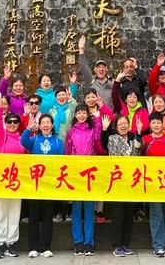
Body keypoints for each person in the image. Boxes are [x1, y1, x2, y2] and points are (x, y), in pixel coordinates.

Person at [20, 114, 63, 258]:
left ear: (52, 125)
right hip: (35, 183)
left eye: (48, 122)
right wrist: (28, 129)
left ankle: (45, 247)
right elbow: (23, 141)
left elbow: (62, 162)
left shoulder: (57, 142)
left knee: (47, 216)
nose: (45, 125)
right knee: (33, 216)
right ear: (39, 125)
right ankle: (33, 247)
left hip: (49, 183)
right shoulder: (35, 139)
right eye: (43, 122)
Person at [100, 114, 141, 257]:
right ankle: (116, 244)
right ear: (116, 127)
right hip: (118, 181)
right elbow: (111, 152)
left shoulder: (134, 138)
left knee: (129, 215)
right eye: (120, 124)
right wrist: (104, 130)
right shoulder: (112, 138)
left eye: (125, 123)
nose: (123, 126)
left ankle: (125, 243)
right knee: (118, 214)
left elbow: (139, 151)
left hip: (131, 181)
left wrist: (139, 133)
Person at [65, 104, 102, 256]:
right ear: (75, 115)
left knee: (89, 210)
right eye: (78, 112)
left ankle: (89, 243)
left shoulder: (92, 129)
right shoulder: (70, 131)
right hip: (75, 174)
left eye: (84, 113)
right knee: (76, 210)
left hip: (90, 174)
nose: (81, 115)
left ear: (87, 115)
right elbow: (67, 153)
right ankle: (78, 242)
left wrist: (98, 119)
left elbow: (98, 138)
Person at [0, 99, 27, 258]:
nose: (12, 124)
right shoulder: (1, 136)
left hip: (17, 180)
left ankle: (11, 242)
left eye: (15, 122)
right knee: (0, 211)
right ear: (6, 123)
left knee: (14, 212)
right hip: (2, 179)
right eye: (9, 122)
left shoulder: (22, 139)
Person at [141, 112, 165, 258]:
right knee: (156, 213)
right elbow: (138, 152)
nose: (156, 125)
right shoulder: (146, 139)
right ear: (149, 125)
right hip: (152, 182)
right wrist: (138, 133)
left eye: (158, 122)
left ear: (163, 124)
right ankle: (158, 245)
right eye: (153, 122)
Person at [78, 35, 113, 107]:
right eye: (99, 67)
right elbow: (84, 67)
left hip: (109, 113)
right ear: (95, 70)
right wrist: (81, 50)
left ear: (106, 70)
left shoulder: (112, 82)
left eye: (103, 67)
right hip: (95, 112)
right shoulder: (91, 80)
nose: (101, 69)